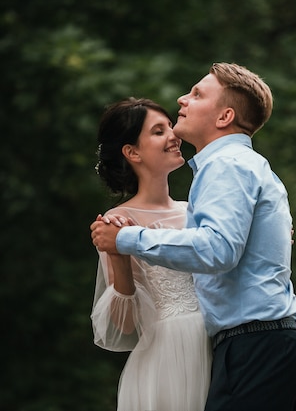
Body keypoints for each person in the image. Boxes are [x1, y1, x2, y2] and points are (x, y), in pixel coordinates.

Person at [91, 62, 296, 411]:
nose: (183, 99)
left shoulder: (224, 165)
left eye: (197, 94)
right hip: (228, 349)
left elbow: (217, 250)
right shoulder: (237, 166)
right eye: (157, 131)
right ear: (130, 152)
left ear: (225, 116)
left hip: (252, 344)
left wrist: (127, 239)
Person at [91, 97, 211, 411]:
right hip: (167, 358)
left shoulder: (196, 210)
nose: (175, 135)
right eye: (159, 131)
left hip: (219, 344)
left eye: (171, 126)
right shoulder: (116, 222)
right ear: (132, 152)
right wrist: (118, 252)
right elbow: (125, 324)